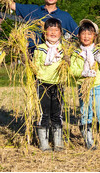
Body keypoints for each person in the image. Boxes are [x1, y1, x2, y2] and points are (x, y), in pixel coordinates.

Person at [69, 19, 100, 149]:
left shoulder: (99, 51)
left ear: (95, 36)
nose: (86, 36)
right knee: (86, 112)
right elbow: (72, 70)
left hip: (97, 85)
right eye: (83, 33)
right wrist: (83, 73)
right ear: (78, 35)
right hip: (83, 87)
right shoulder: (76, 53)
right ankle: (88, 139)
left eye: (90, 34)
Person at [33, 17, 67, 151]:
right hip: (42, 84)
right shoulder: (40, 49)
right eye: (50, 30)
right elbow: (35, 67)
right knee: (43, 113)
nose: (53, 32)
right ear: (44, 32)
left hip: (58, 84)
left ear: (60, 33)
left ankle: (58, 141)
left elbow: (68, 68)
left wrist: (68, 61)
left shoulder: (64, 50)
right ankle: (44, 141)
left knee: (57, 113)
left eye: (56, 30)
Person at [9, 0, 78, 45]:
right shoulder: (33, 10)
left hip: (55, 56)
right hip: (32, 55)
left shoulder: (65, 16)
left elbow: (79, 34)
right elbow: (11, 5)